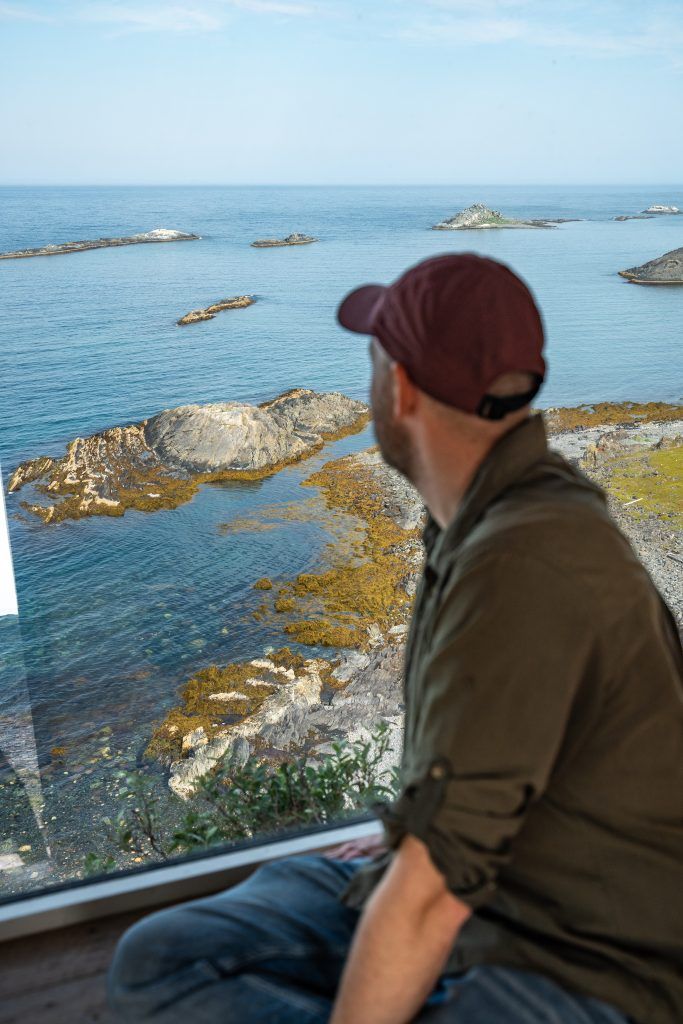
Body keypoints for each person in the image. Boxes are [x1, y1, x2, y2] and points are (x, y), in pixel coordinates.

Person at [108, 254, 683, 1024]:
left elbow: (428, 902)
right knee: (163, 954)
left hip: (581, 963)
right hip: (506, 884)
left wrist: (418, 871)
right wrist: (412, 840)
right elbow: (502, 760)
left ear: (400, 389)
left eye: (372, 363)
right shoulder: (506, 512)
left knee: (180, 978)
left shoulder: (520, 562)